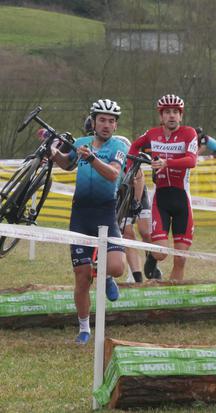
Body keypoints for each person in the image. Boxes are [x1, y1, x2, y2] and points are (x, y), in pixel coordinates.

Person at [49, 99, 129, 344]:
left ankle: (105, 276)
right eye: (102, 120)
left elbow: (113, 173)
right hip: (80, 216)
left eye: (111, 121)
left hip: (105, 214)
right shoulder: (81, 143)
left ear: (115, 126)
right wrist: (53, 153)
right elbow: (67, 164)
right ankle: (84, 328)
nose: (106, 125)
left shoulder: (119, 146)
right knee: (82, 277)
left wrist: (92, 158)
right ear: (93, 122)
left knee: (117, 267)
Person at [129, 94, 198, 282]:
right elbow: (134, 147)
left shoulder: (189, 133)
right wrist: (131, 170)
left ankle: (174, 293)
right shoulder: (152, 134)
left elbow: (192, 161)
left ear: (181, 116)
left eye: (176, 112)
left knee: (181, 258)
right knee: (161, 253)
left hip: (182, 199)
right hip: (161, 200)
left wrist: (167, 163)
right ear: (161, 116)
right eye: (167, 112)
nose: (172, 115)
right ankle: (152, 257)